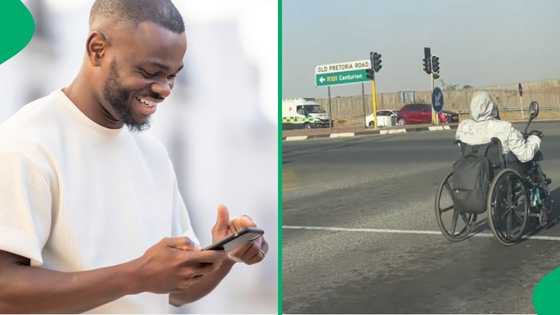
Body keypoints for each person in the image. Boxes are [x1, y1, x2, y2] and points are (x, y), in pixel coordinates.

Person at [0, 0, 268, 313]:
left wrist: (225, 257)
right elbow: (4, 290)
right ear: (97, 49)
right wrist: (136, 276)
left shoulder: (152, 154)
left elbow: (174, 291)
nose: (164, 89)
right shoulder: (25, 143)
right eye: (150, 71)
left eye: (172, 75)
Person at [455, 90, 541, 164]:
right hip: (497, 171)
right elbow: (525, 155)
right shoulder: (503, 127)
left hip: (472, 168)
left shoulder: (463, 126)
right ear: (491, 106)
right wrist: (535, 139)